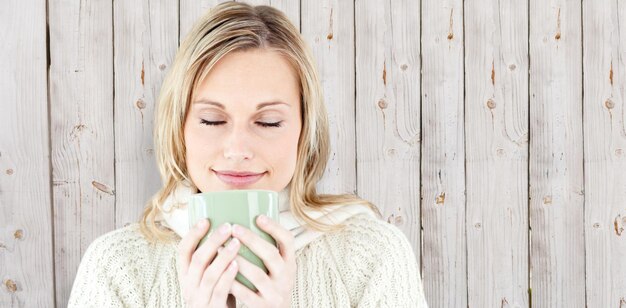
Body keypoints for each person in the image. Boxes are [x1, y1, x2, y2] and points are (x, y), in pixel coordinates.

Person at [67, 2, 428, 307]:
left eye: (268, 122)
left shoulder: (373, 257)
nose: (238, 150)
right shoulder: (117, 267)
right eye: (211, 120)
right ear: (180, 129)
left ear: (305, 131)